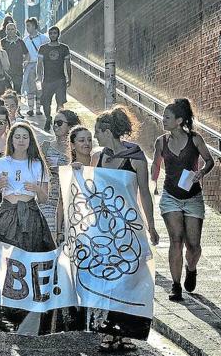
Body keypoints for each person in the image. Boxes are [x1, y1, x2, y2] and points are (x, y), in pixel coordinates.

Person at [90, 106, 159, 353]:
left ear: (107, 131)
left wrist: (151, 225)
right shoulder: (97, 157)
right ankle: (108, 332)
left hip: (129, 227)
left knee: (129, 279)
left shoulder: (136, 156)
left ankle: (126, 333)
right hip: (104, 229)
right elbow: (90, 189)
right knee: (107, 279)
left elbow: (144, 192)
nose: (96, 136)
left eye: (97, 131)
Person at [152, 98, 215, 301]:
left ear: (179, 120)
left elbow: (210, 160)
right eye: (163, 116)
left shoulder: (195, 139)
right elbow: (155, 166)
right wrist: (152, 184)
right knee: (176, 239)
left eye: (167, 117)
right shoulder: (161, 142)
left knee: (194, 245)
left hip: (193, 197)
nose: (163, 120)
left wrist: (202, 172)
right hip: (170, 197)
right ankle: (176, 285)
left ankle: (192, 268)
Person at [0, 122, 55, 251]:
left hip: (30, 213)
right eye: (17, 136)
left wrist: (36, 189)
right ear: (11, 139)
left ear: (30, 140)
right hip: (7, 212)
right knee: (5, 254)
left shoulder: (38, 164)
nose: (21, 140)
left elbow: (44, 199)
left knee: (31, 250)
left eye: (25, 137)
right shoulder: (0, 163)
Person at [40, 109, 81, 243]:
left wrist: (66, 170)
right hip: (49, 201)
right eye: (54, 123)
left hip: (70, 203)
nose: (55, 126)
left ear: (70, 126)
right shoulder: (45, 147)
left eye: (59, 123)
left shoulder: (78, 149)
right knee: (51, 241)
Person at [37, 26, 72, 131]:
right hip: (47, 80)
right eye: (51, 33)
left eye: (55, 33)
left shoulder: (64, 48)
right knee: (46, 102)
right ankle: (48, 118)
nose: (53, 35)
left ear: (58, 34)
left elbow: (68, 64)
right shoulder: (43, 48)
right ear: (49, 34)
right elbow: (39, 64)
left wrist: (69, 78)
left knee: (60, 102)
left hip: (60, 79)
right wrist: (38, 77)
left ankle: (58, 121)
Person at [22, 17, 49, 116]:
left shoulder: (44, 39)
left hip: (40, 66)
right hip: (29, 66)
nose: (27, 28)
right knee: (30, 88)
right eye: (26, 26)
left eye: (28, 26)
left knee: (39, 88)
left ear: (34, 26)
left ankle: (38, 109)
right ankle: (30, 109)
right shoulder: (25, 40)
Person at [1, 22, 28, 94]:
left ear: (16, 30)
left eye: (12, 29)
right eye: (8, 29)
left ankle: (18, 104)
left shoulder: (20, 41)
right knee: (8, 92)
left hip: (18, 69)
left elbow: (27, 54)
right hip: (6, 71)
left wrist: (25, 62)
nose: (10, 31)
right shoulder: (2, 42)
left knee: (17, 90)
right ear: (6, 31)